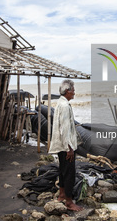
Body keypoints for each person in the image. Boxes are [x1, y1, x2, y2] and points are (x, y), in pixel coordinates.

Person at [48, 79, 83, 211]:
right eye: (73, 90)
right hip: (65, 146)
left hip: (60, 145)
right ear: (67, 91)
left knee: (63, 171)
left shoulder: (61, 103)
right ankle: (69, 202)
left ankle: (62, 195)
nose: (74, 92)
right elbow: (65, 129)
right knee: (69, 173)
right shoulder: (64, 106)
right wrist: (70, 148)